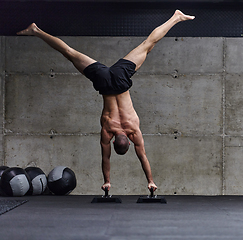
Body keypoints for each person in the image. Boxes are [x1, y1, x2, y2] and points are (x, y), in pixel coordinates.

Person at [17, 10, 195, 193]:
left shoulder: (133, 131)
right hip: (104, 82)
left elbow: (142, 157)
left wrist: (151, 181)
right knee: (69, 53)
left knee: (147, 44)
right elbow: (106, 159)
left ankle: (176, 17)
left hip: (120, 79)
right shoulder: (107, 131)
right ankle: (36, 31)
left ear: (128, 140)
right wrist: (106, 181)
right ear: (114, 140)